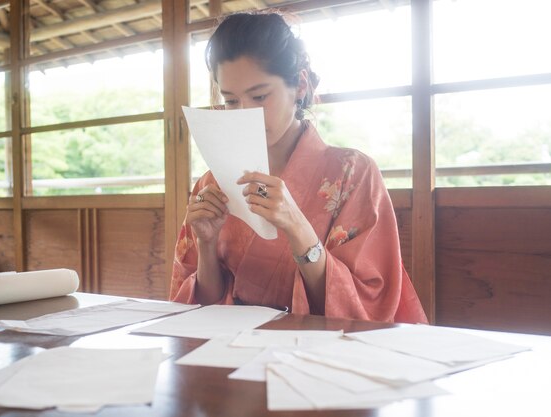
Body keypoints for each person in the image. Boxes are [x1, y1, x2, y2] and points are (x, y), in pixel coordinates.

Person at [170, 11, 427, 323]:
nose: (245, 113)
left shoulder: (353, 174)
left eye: (260, 96)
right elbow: (200, 309)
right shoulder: (212, 183)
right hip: (227, 352)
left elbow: (365, 308)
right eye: (232, 101)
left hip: (318, 356)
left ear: (300, 85)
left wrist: (298, 227)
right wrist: (206, 246)